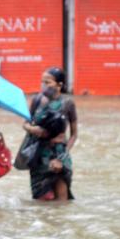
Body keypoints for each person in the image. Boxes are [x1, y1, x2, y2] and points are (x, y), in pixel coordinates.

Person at [21, 67, 78, 201]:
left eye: (48, 82)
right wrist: (33, 130)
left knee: (61, 201)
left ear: (60, 85)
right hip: (39, 154)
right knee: (40, 199)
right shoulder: (37, 100)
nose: (44, 85)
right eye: (42, 82)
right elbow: (25, 123)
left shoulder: (68, 103)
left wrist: (63, 157)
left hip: (59, 154)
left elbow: (74, 134)